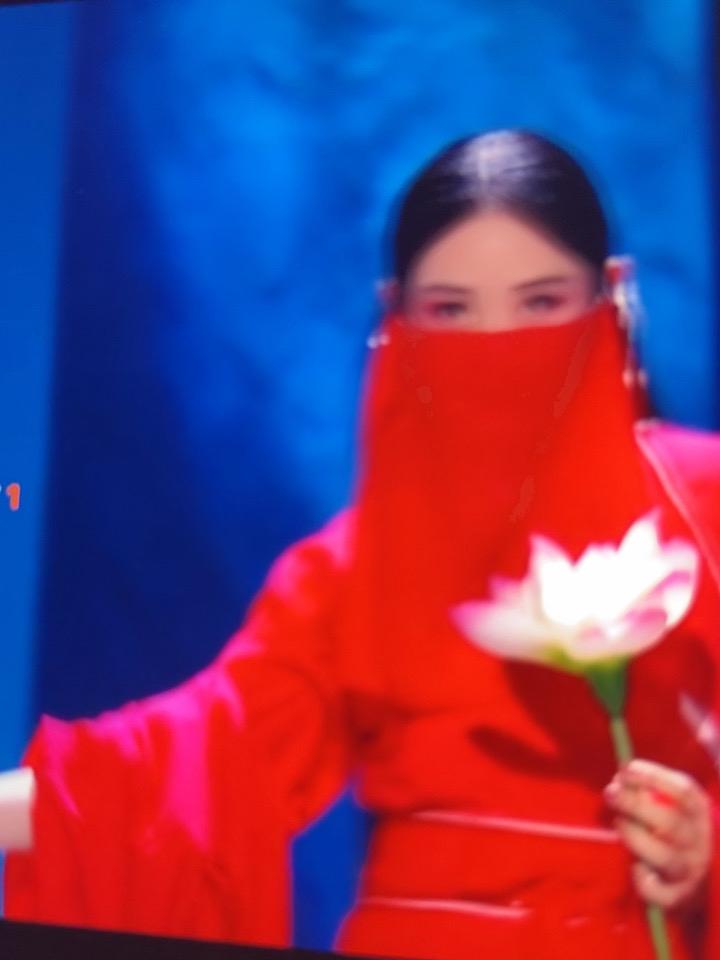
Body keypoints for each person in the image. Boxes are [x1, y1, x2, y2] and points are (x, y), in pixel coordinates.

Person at [3, 129, 720, 960]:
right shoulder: (353, 565)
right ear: (396, 320)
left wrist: (706, 850)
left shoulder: (701, 501)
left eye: (541, 303)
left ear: (611, 295)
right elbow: (188, 766)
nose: (497, 345)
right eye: (451, 311)